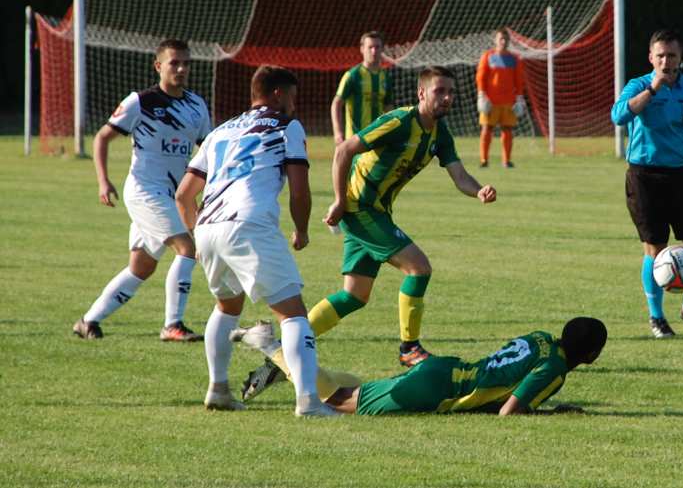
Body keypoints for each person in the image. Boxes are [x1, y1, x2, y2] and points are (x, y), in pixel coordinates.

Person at [238, 66, 497, 401]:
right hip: (361, 209)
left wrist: (478, 191)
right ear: (421, 93)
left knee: (354, 296)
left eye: (450, 92)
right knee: (419, 268)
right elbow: (344, 150)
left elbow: (460, 176)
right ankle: (409, 348)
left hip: (376, 212)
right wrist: (340, 201)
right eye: (439, 91)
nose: (446, 97)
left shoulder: (439, 133)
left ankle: (283, 353)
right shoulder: (400, 121)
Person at [174, 66, 336, 416]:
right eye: (292, 96)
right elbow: (299, 188)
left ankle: (218, 389)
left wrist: (198, 238)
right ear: (278, 94)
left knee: (227, 307)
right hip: (249, 223)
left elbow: (183, 195)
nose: (295, 104)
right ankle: (308, 401)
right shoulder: (285, 126)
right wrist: (302, 229)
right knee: (293, 315)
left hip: (208, 227)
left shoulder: (219, 132)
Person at [73, 39, 211, 342]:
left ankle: (88, 320)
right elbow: (102, 138)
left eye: (186, 63)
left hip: (173, 196)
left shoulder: (196, 105)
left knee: (142, 266)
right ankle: (172, 325)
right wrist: (103, 180)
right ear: (158, 66)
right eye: (175, 63)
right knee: (188, 248)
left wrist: (202, 196)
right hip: (145, 191)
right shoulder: (140, 101)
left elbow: (207, 153)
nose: (182, 68)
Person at [236, 317, 606, 415]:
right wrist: (547, 410)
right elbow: (509, 410)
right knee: (335, 403)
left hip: (445, 369)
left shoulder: (543, 337)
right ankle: (269, 344)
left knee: (354, 391)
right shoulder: (555, 369)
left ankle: (285, 361)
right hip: (440, 390)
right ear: (591, 356)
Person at [610, 29, 683, 339]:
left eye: (671, 55)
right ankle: (656, 317)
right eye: (659, 55)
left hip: (681, 176)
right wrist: (652, 91)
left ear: (681, 59)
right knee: (656, 250)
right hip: (644, 177)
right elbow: (618, 116)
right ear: (651, 58)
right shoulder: (639, 85)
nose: (665, 61)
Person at [331, 31, 395, 144]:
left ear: (382, 49)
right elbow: (336, 104)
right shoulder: (353, 75)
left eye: (377, 47)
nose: (374, 51)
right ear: (362, 49)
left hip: (378, 138)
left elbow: (388, 107)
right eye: (370, 47)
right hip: (355, 140)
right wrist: (338, 134)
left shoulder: (385, 77)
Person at [475, 28, 526, 168]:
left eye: (505, 39)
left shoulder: (514, 59)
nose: (503, 41)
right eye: (500, 39)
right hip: (490, 101)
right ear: (495, 40)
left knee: (507, 130)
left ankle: (506, 161)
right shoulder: (488, 56)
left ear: (508, 41)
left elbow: (519, 80)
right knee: (486, 129)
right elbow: (481, 77)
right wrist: (481, 94)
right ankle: (484, 160)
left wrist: (520, 97)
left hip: (509, 102)